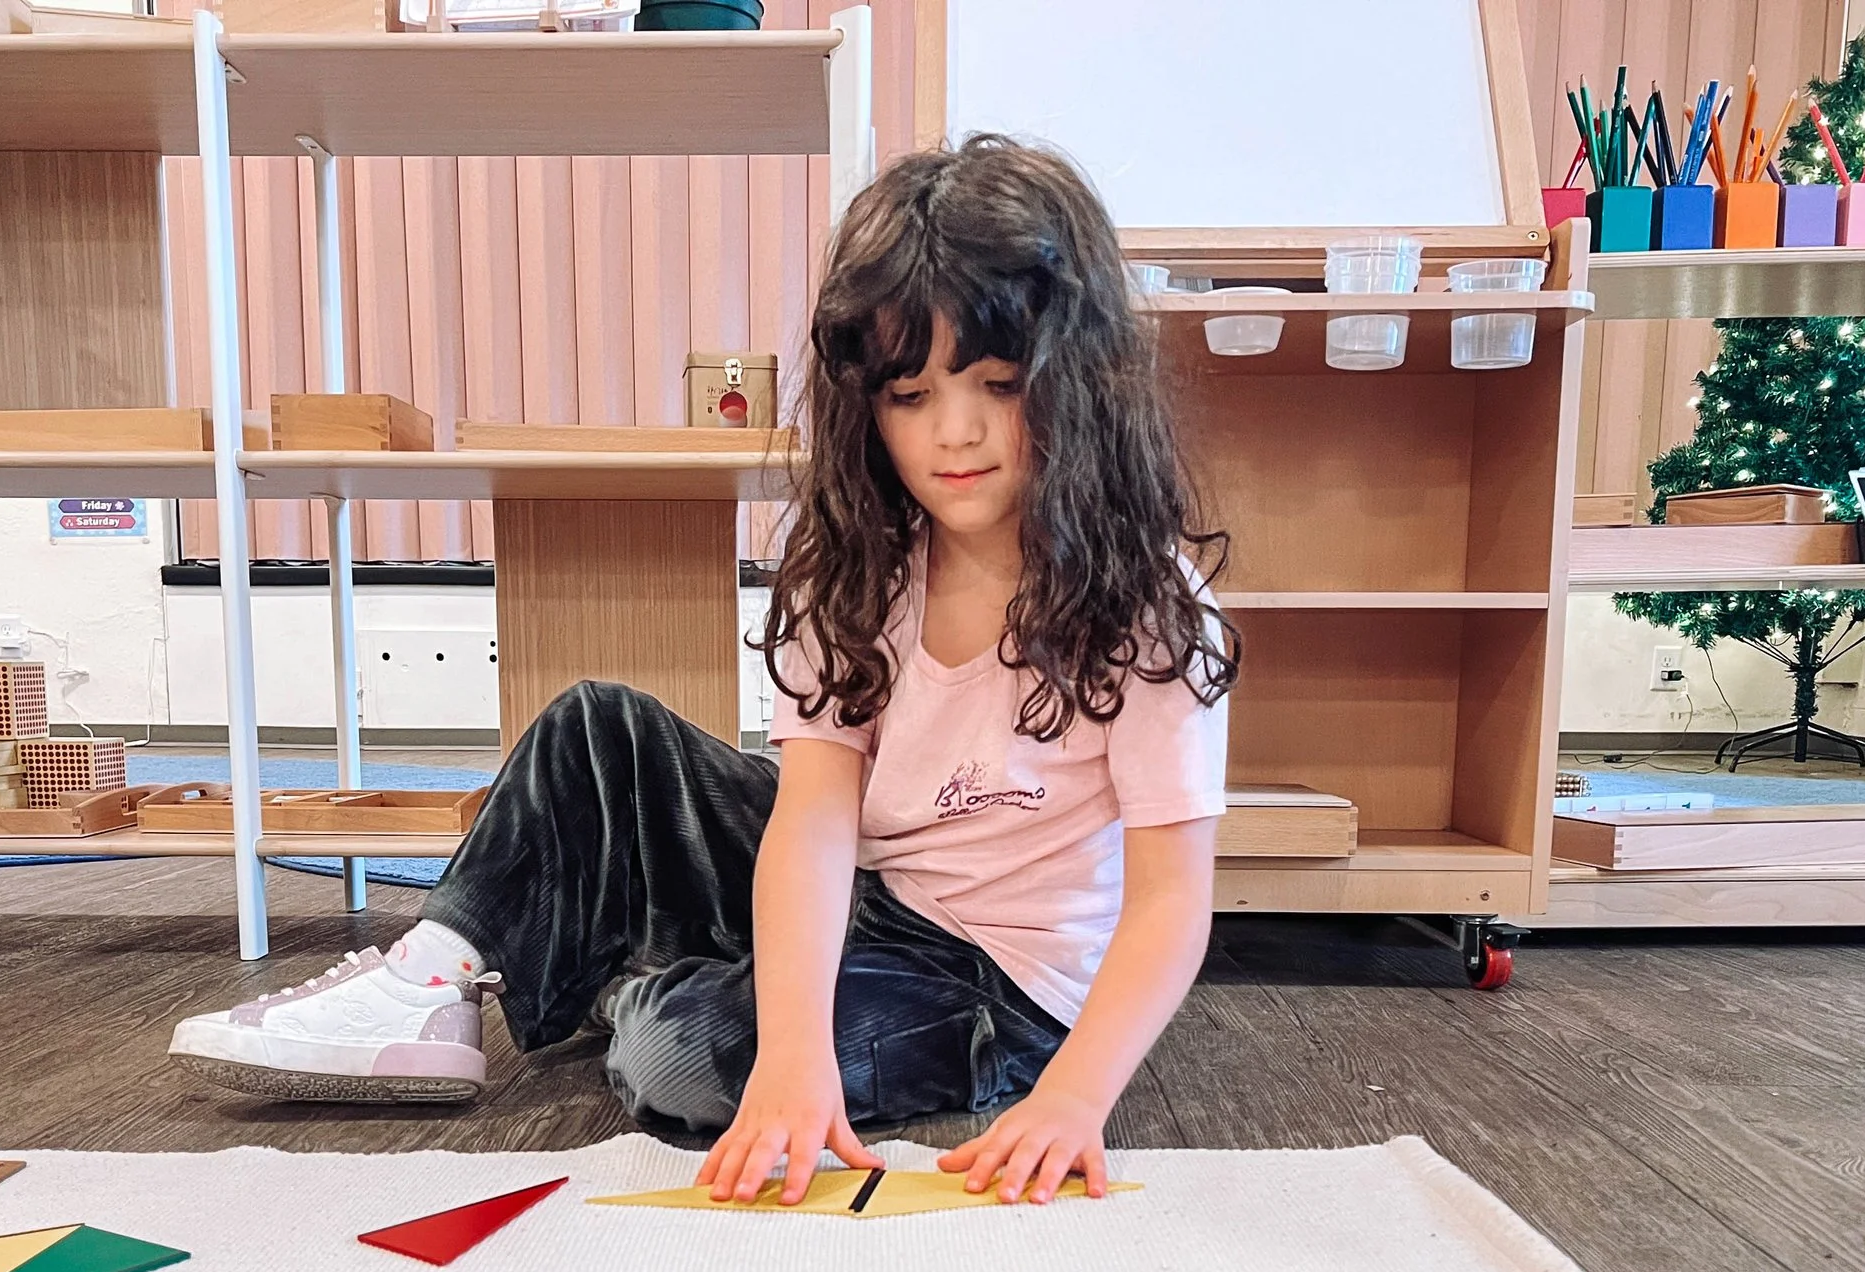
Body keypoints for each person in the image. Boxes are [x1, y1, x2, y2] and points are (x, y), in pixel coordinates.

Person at [170, 134, 1236, 1208]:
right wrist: (795, 1045)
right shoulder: (858, 575)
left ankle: (612, 964)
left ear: (1080, 383)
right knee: (600, 727)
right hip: (871, 893)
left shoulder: (1144, 612)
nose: (953, 432)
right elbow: (813, 820)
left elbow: (1167, 901)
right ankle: (427, 983)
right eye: (907, 395)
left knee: (674, 1060)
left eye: (997, 384)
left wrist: (1072, 1095)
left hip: (999, 984)